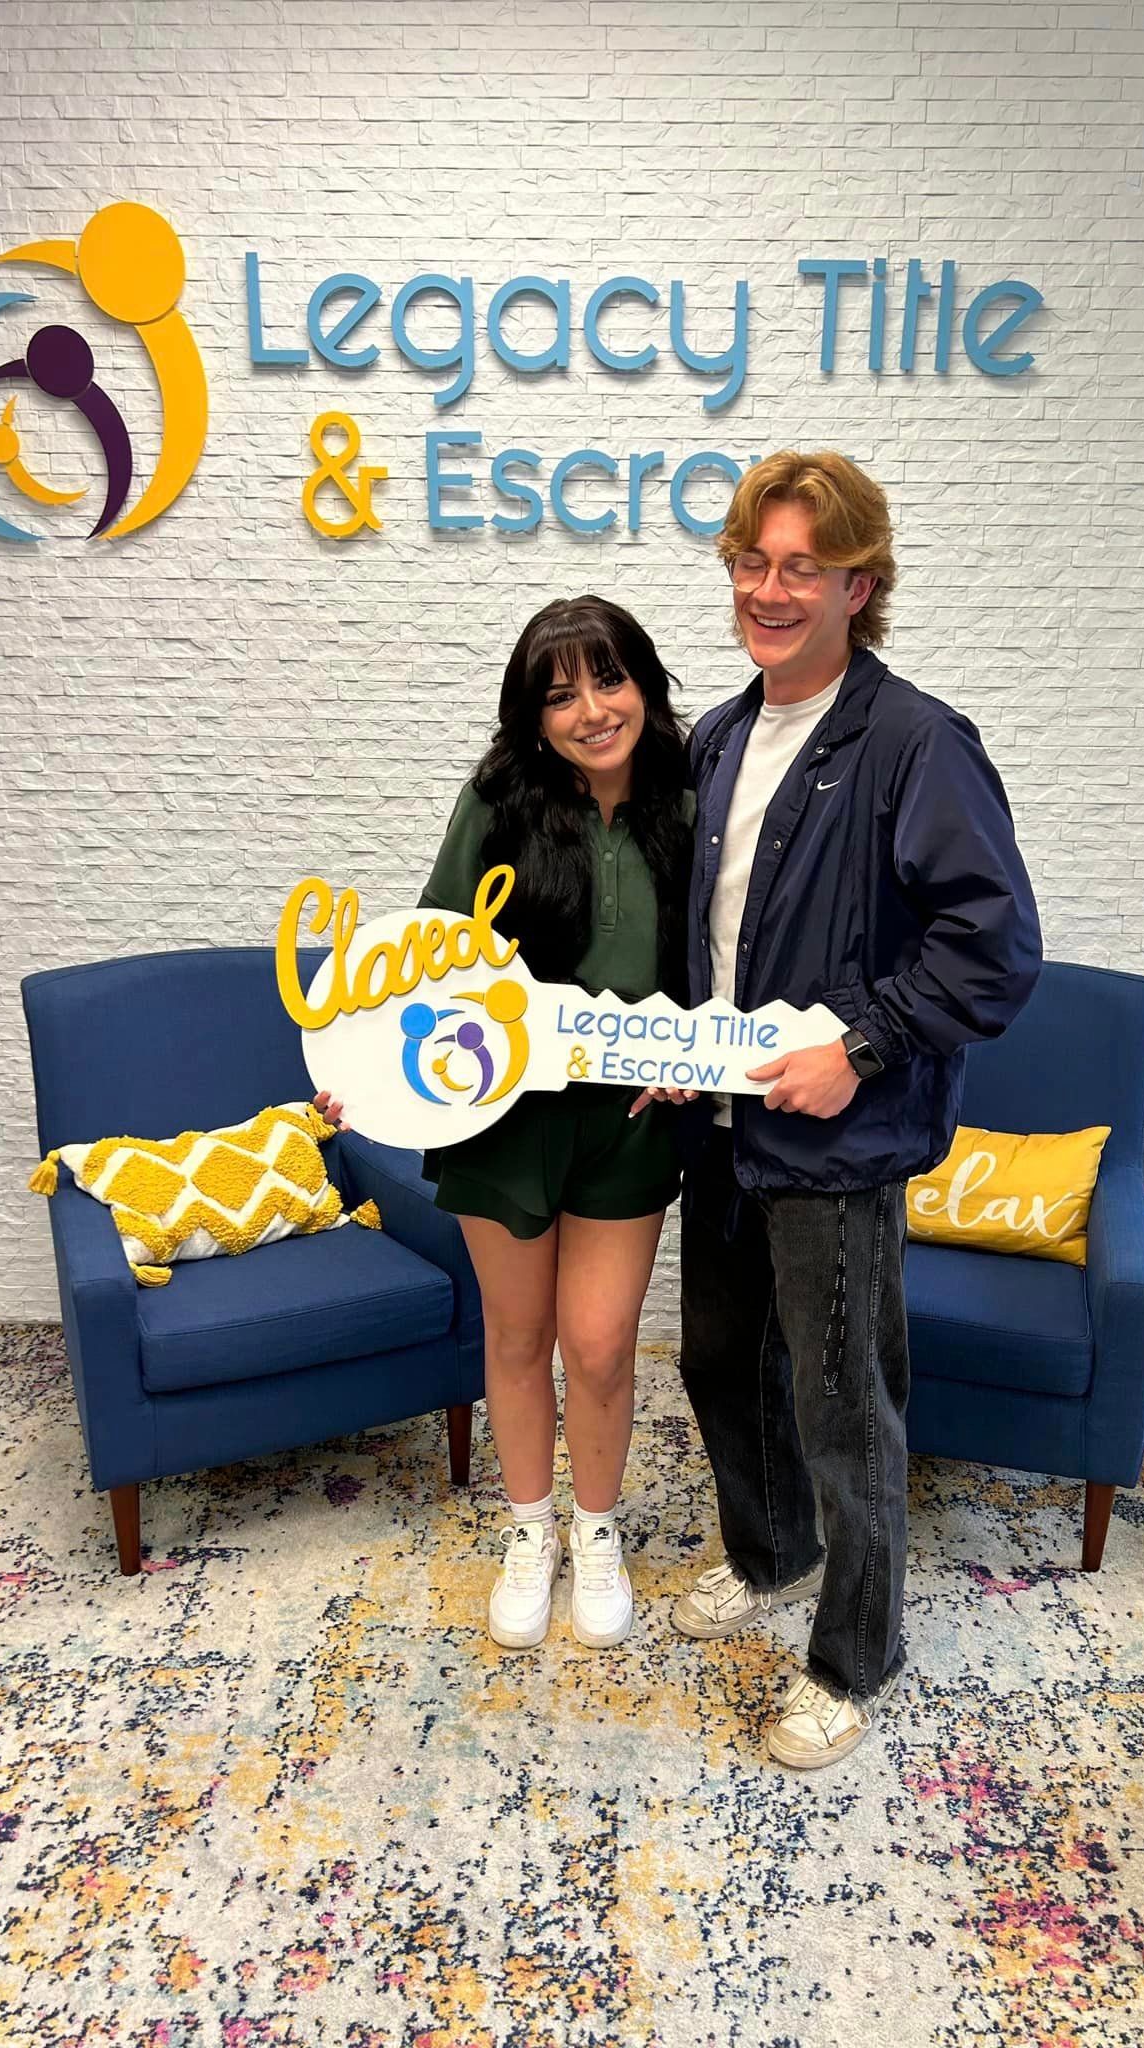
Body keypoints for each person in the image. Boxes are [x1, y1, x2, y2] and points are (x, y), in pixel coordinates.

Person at [646, 451, 1042, 1770]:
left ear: (856, 583)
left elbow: (992, 951)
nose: (768, 588)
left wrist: (861, 1046)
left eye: (799, 566)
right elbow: (708, 938)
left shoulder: (917, 743)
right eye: (752, 563)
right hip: (719, 1127)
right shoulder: (716, 734)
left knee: (843, 1405)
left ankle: (855, 1650)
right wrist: (660, 1039)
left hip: (837, 1142)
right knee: (716, 1364)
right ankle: (768, 1554)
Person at [315, 596, 694, 1654]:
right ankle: (532, 1530)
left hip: (629, 1117)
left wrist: (696, 1063)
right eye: (559, 692)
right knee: (519, 1334)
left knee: (604, 1343)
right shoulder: (496, 801)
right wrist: (359, 1070)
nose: (589, 708)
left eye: (607, 679)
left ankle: (598, 1527)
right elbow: (423, 958)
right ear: (531, 717)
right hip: (498, 1112)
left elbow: (727, 958)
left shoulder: (696, 799)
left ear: (646, 687)